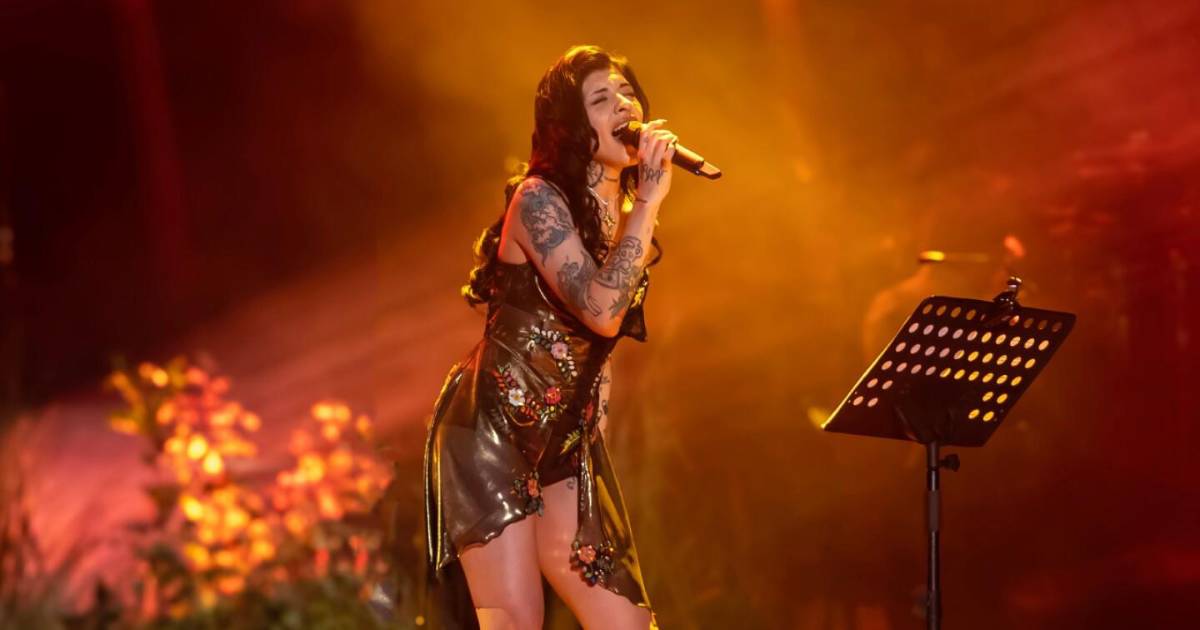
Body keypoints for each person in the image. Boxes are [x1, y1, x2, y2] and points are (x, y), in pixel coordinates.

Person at [422, 45, 675, 629]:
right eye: (602, 98)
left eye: (627, 92)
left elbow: (600, 347)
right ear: (569, 126)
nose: (624, 105)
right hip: (492, 430)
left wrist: (591, 433)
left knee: (628, 624)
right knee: (515, 621)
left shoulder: (621, 214)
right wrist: (650, 203)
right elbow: (601, 310)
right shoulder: (537, 199)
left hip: (564, 443)